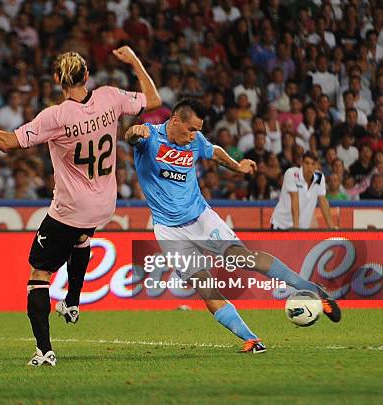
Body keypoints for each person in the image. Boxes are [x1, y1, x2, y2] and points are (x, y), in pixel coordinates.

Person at [0, 47, 161, 366]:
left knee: (38, 273)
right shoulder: (110, 97)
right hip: (105, 203)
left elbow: (8, 143)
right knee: (80, 237)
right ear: (87, 76)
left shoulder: (57, 116)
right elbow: (154, 101)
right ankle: (73, 302)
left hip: (71, 208)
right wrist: (134, 61)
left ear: (56, 80)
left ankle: (44, 350)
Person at [125, 99, 341, 354]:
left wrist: (236, 167)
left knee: (242, 259)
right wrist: (133, 131)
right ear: (175, 121)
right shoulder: (150, 137)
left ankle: (316, 291)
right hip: (169, 230)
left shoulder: (195, 141)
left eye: (198, 130)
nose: (195, 135)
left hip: (201, 218)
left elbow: (213, 150)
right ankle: (252, 340)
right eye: (191, 129)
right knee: (206, 289)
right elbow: (132, 137)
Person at [271, 151, 335, 230]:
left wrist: (332, 229)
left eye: (313, 164)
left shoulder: (319, 178)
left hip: (302, 228)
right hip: (281, 225)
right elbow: (295, 201)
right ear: (301, 163)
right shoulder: (292, 174)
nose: (309, 167)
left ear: (317, 165)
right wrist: (296, 229)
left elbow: (323, 202)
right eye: (307, 163)